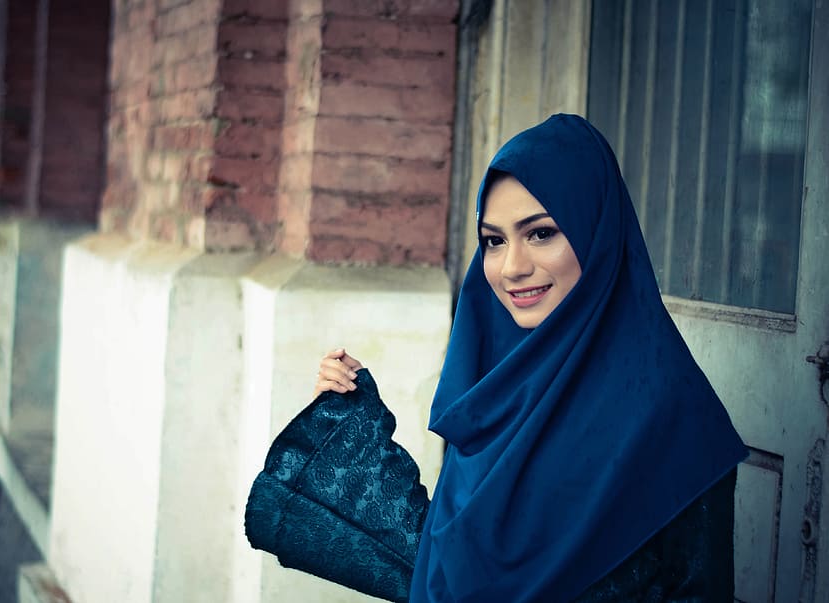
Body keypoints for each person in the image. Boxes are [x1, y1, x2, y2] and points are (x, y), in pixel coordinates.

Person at [312, 114, 748, 601]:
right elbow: (452, 558)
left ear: (597, 233)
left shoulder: (673, 413)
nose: (512, 268)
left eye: (541, 233)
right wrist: (345, 427)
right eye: (494, 241)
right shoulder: (498, 388)